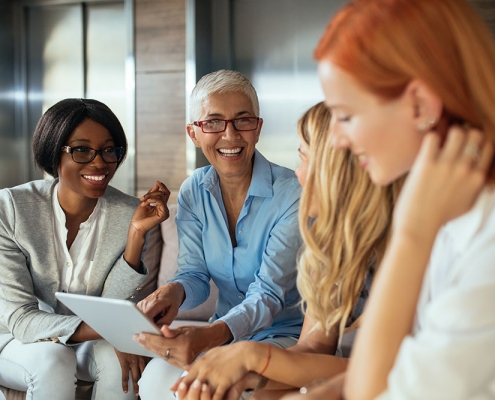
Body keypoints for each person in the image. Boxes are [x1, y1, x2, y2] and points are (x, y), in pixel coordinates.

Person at [288, 0, 495, 399]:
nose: (339, 141)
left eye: (345, 116)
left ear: (419, 105)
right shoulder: (454, 214)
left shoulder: (473, 237)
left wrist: (411, 234)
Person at [170, 102, 403, 400]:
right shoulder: (332, 248)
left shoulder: (406, 244)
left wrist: (250, 357)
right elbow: (315, 348)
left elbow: (394, 368)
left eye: (305, 158)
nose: (298, 174)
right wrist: (250, 378)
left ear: (339, 169)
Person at [134, 70, 304, 399]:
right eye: (213, 122)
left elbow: (268, 294)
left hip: (287, 336)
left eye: (243, 121)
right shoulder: (193, 190)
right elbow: (194, 275)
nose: (230, 135)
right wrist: (173, 292)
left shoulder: (293, 194)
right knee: (156, 380)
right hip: (225, 333)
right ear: (194, 134)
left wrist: (211, 335)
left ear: (258, 128)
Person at [0, 98, 170, 400]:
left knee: (120, 365)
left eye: (109, 150)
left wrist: (135, 237)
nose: (100, 162)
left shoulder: (128, 211)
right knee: (53, 361)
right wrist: (117, 331)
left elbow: (109, 306)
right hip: (13, 339)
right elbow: (22, 319)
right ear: (54, 152)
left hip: (83, 339)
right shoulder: (11, 209)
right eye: (81, 150)